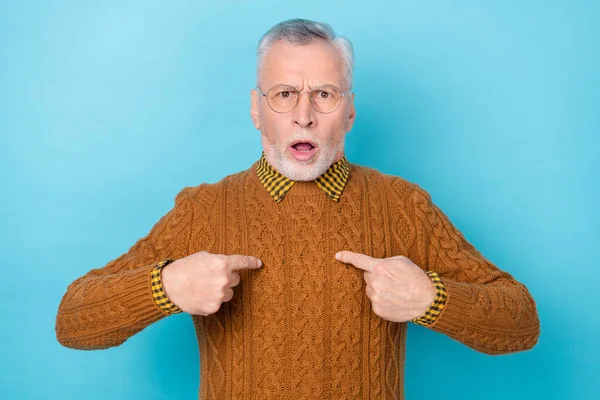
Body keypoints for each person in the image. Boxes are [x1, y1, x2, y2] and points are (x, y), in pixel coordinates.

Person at [55, 18, 540, 399]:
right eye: (284, 94)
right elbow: (72, 322)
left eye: (323, 94)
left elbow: (522, 323)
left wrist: (433, 300)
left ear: (349, 110)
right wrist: (162, 286)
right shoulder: (203, 209)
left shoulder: (402, 205)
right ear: (255, 109)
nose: (303, 115)